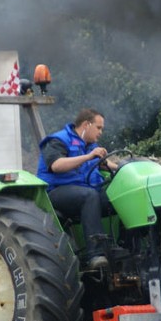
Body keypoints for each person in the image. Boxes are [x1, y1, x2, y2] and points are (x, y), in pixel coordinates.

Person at [37, 108, 117, 269]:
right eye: (98, 128)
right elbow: (56, 165)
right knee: (89, 196)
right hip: (56, 192)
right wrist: (89, 157)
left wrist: (125, 167)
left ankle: (125, 245)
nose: (100, 132)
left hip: (84, 190)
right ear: (87, 125)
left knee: (117, 197)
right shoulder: (58, 140)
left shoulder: (91, 146)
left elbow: (107, 164)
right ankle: (95, 254)